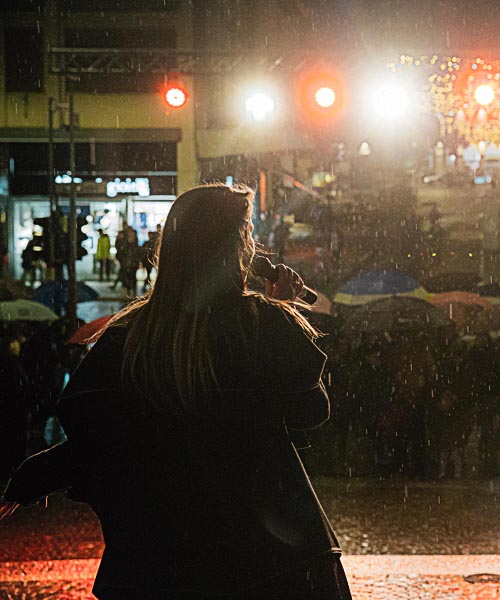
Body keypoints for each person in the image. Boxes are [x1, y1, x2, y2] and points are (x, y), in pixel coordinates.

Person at [1, 184, 351, 599]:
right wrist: (284, 313)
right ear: (235, 247)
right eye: (249, 235)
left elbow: (104, 438)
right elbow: (310, 410)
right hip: (269, 553)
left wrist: (32, 477)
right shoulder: (261, 325)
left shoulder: (131, 339)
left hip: (161, 558)